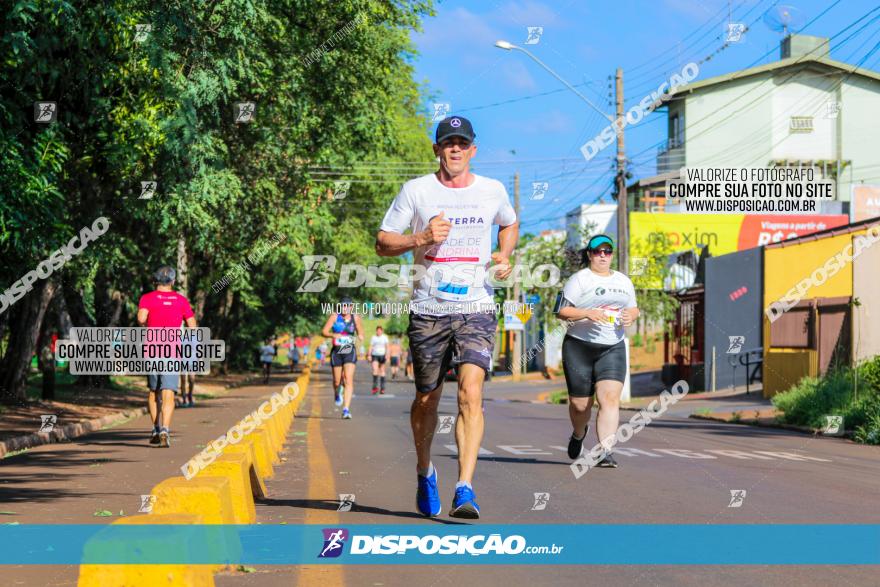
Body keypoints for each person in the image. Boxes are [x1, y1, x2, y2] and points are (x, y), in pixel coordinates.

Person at [376, 115, 518, 518]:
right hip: (429, 310)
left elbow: (509, 224)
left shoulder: (492, 190)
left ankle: (465, 487)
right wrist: (420, 238)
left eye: (462, 143)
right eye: (447, 143)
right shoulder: (416, 191)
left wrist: (504, 255)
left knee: (471, 392)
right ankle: (425, 471)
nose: (455, 149)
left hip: (476, 306)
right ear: (437, 149)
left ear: (472, 150)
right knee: (426, 398)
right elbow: (383, 242)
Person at [555, 234, 639, 469]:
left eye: (607, 251)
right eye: (597, 251)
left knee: (610, 398)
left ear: (612, 254)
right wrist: (586, 313)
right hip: (579, 347)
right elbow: (560, 310)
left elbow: (634, 308)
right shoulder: (579, 280)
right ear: (590, 254)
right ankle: (579, 433)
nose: (603, 255)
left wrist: (630, 316)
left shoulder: (624, 281)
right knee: (581, 405)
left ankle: (604, 450)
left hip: (612, 347)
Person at [137, 266, 197, 448]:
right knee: (168, 392)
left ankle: (155, 428)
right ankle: (165, 429)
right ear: (172, 281)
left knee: (154, 392)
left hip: (152, 350)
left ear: (155, 281)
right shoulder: (181, 300)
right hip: (172, 351)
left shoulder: (147, 298)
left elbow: (141, 319)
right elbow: (192, 326)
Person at [321, 297, 364, 419]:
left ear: (351, 307)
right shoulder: (335, 316)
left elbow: (361, 332)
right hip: (337, 352)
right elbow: (323, 331)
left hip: (349, 351)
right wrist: (332, 334)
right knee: (337, 381)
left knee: (348, 380)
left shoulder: (355, 318)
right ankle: (337, 392)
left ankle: (346, 410)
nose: (345, 308)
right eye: (343, 306)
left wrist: (360, 336)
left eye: (348, 306)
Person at [369, 326, 390, 394]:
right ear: (376, 331)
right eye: (377, 331)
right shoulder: (373, 337)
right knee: (375, 370)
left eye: (380, 331)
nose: (378, 332)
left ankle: (382, 388)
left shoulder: (384, 337)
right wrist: (369, 355)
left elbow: (387, 346)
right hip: (375, 355)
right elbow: (371, 346)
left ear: (382, 331)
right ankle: (375, 387)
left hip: (382, 355)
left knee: (382, 371)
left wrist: (387, 355)